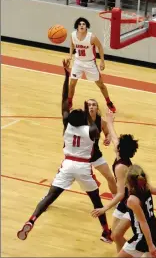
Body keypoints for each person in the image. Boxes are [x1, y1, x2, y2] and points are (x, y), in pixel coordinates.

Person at [17, 60, 111, 242]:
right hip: (83, 167)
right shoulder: (91, 130)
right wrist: (89, 113)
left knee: (50, 195)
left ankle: (32, 219)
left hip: (67, 164)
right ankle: (106, 231)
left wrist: (67, 75)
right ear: (84, 117)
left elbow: (64, 101)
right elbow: (93, 126)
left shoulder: (67, 125)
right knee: (96, 201)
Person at [91, 110, 139, 252]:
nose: (115, 143)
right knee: (115, 235)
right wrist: (110, 122)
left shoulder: (121, 167)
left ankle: (132, 254)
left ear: (119, 149)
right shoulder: (121, 154)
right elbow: (114, 137)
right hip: (126, 201)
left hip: (131, 202)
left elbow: (119, 194)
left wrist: (104, 208)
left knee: (116, 235)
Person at [117, 164, 156, 257]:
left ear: (128, 181)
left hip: (143, 237)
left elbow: (143, 222)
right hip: (155, 232)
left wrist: (150, 245)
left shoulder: (132, 200)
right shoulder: (146, 188)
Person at [66, 17, 116, 113]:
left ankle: (109, 102)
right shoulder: (72, 35)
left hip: (90, 63)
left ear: (86, 27)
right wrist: (70, 56)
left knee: (100, 85)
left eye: (84, 24)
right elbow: (72, 45)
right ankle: (69, 102)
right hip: (78, 62)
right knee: (72, 84)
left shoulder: (92, 37)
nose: (82, 25)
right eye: (80, 24)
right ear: (77, 26)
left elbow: (100, 47)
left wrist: (102, 61)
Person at [87, 99, 117, 196]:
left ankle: (117, 201)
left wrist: (108, 139)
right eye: (89, 105)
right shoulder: (80, 120)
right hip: (80, 155)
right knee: (62, 180)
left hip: (95, 153)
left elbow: (108, 133)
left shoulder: (101, 121)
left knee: (110, 178)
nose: (91, 107)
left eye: (93, 105)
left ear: (97, 108)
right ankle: (48, 198)